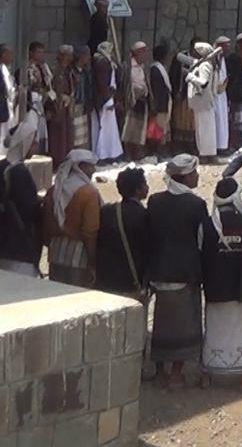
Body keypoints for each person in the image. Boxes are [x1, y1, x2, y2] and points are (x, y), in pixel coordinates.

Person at [147, 154, 215, 389]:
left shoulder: (155, 201)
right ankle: (176, 373)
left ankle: (159, 370)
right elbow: (202, 240)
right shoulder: (196, 205)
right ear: (185, 177)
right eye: (194, 173)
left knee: (161, 322)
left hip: (159, 272)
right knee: (184, 324)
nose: (197, 176)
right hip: (185, 274)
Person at [202, 178, 242, 389]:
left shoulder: (207, 224)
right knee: (241, 331)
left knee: (214, 330)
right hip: (241, 286)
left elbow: (202, 254)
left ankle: (207, 376)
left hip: (215, 287)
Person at [43, 150, 101, 286]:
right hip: (79, 258)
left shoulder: (54, 191)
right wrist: (92, 262)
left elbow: (46, 226)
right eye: (90, 166)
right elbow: (90, 233)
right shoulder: (89, 193)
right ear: (80, 167)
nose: (93, 170)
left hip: (55, 255)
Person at [94, 167, 150, 298]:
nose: (147, 187)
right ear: (138, 190)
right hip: (132, 282)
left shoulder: (107, 212)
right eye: (145, 184)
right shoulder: (143, 215)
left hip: (107, 279)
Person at [0, 134, 42, 277]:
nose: (36, 146)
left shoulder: (3, 166)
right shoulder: (19, 171)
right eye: (33, 142)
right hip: (18, 244)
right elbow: (29, 207)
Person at [90, 41, 124, 163]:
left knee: (109, 128)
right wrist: (108, 99)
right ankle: (102, 155)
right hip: (104, 99)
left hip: (109, 97)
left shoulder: (107, 60)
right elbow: (102, 83)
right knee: (104, 128)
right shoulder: (101, 61)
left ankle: (110, 154)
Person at [117, 42, 149, 162]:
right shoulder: (126, 67)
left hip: (142, 101)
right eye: (144, 51)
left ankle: (137, 152)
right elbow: (121, 84)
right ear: (137, 53)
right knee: (128, 129)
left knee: (139, 128)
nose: (145, 55)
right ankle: (127, 153)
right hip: (130, 101)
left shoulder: (143, 67)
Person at [212, 37, 232, 153]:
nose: (228, 49)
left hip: (222, 94)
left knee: (222, 120)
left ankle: (222, 146)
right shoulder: (213, 59)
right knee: (216, 120)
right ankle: (215, 147)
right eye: (226, 46)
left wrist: (224, 84)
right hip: (214, 94)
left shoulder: (224, 59)